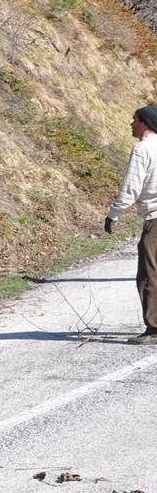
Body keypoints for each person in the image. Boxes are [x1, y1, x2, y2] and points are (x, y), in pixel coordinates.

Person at [105, 106, 157, 345]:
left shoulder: (143, 149)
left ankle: (154, 328)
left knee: (149, 274)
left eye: (134, 119)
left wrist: (113, 214)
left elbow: (131, 188)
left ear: (145, 123)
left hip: (155, 219)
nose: (131, 123)